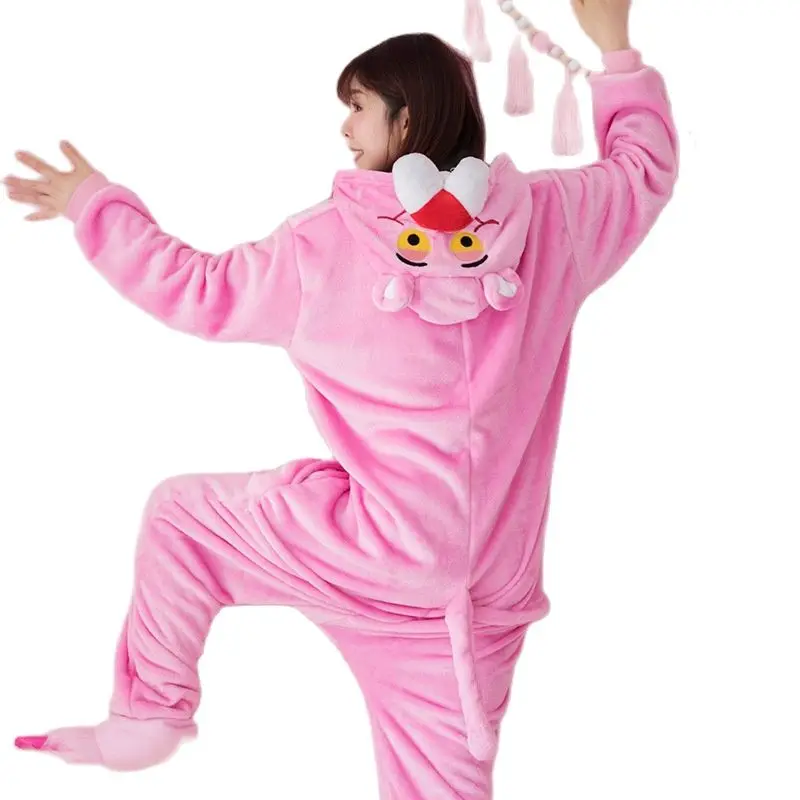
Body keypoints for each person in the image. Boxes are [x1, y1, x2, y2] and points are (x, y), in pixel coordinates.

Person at [3, 1, 679, 796]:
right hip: (476, 610)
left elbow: (195, 289)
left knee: (183, 520)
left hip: (362, 558)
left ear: (406, 116)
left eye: (357, 106)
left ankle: (149, 715)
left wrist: (93, 206)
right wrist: (615, 50)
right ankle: (149, 717)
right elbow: (643, 171)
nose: (345, 127)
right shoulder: (555, 222)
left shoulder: (323, 245)